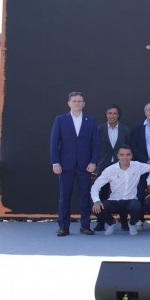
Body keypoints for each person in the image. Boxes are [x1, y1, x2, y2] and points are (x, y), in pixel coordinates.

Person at [50, 91, 100, 236]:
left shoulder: (90, 121)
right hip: (65, 164)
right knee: (64, 196)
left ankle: (85, 225)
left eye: (80, 101)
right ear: (69, 103)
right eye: (74, 101)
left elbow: (96, 144)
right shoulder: (60, 120)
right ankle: (63, 226)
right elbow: (54, 143)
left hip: (85, 165)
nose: (77, 103)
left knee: (85, 196)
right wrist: (55, 162)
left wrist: (93, 161)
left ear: (84, 104)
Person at [90, 145, 150, 235]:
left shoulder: (137, 166)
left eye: (127, 155)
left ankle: (132, 224)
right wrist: (96, 201)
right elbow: (95, 187)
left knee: (137, 206)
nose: (125, 157)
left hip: (130, 201)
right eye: (122, 155)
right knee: (96, 209)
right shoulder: (110, 170)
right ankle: (111, 223)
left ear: (131, 156)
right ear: (118, 156)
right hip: (114, 201)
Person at [95, 104, 130, 175]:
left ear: (118, 115)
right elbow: (95, 147)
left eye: (114, 113)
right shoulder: (99, 130)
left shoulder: (125, 130)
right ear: (106, 115)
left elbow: (129, 147)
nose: (112, 116)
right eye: (110, 113)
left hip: (121, 165)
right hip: (103, 165)